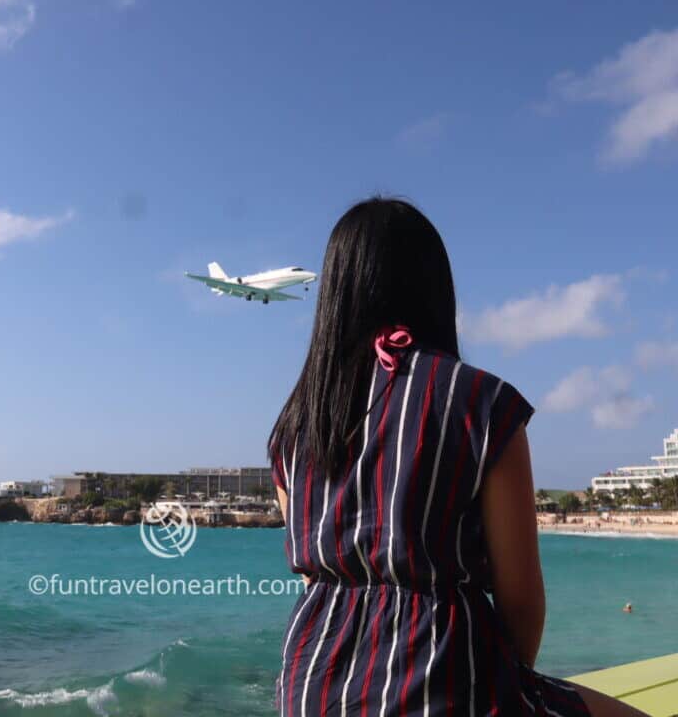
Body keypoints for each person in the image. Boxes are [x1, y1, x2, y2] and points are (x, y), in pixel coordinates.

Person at [269, 199, 645, 716]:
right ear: (434, 287)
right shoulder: (481, 405)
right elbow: (521, 601)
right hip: (443, 682)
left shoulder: (294, 427)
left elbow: (316, 576)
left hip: (311, 685)